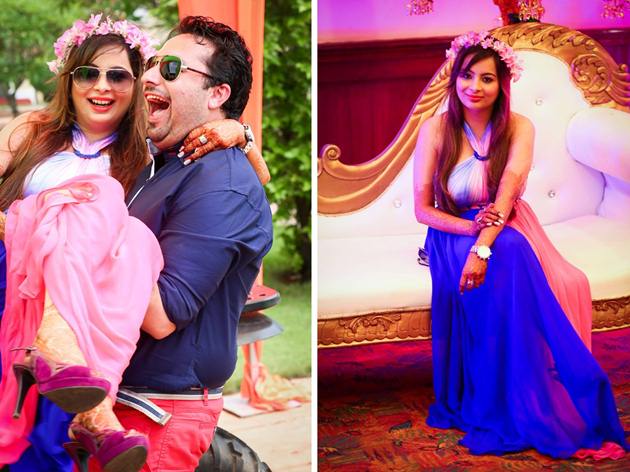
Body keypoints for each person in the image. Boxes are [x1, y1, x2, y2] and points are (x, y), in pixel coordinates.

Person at [0, 14, 268, 472]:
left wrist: (239, 134)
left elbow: (245, 189)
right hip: (16, 291)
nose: (102, 86)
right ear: (69, 79)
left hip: (111, 363)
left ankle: (90, 412)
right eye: (87, 73)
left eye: (121, 75)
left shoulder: (139, 153)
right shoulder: (40, 132)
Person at [413, 31, 628, 459]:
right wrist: (469, 235)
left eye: (487, 78)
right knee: (508, 253)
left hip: (504, 221)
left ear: (503, 84)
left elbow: (507, 193)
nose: (474, 87)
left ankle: (533, 384)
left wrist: (482, 249)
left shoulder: (518, 126)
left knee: (510, 251)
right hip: (451, 230)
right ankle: (498, 390)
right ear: (454, 79)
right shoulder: (436, 129)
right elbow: (423, 210)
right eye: (467, 76)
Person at [103, 16, 272, 471]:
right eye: (152, 63)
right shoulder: (158, 162)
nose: (150, 76)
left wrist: (80, 235)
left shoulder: (221, 183)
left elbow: (162, 316)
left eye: (171, 68)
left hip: (155, 411)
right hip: (116, 400)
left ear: (218, 94)